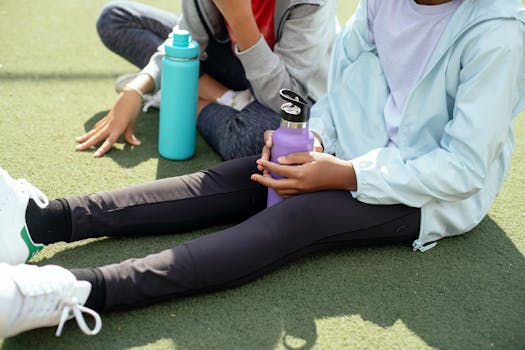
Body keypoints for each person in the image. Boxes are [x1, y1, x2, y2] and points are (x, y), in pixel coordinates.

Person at [1, 0, 525, 338]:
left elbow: (463, 167)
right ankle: (44, 219)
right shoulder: (380, 4)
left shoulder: (498, 33)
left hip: (427, 192)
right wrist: (311, 139)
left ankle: (77, 289)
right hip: (346, 152)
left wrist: (345, 175)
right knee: (247, 173)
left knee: (294, 219)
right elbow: (340, 98)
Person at [75, 0, 338, 160]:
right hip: (231, 63)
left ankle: (175, 95)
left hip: (289, 89)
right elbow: (186, 38)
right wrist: (138, 86)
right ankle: (223, 97)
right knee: (116, 17)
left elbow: (286, 98)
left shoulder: (312, 2)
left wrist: (241, 19)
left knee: (260, 139)